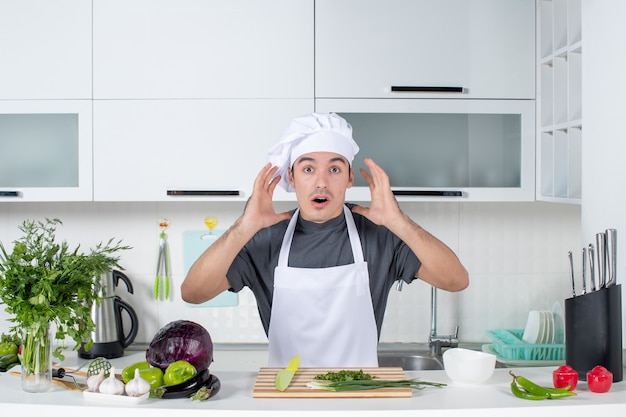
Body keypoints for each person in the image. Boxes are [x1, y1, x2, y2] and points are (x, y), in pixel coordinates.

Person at [181, 112, 468, 368]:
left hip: (358, 394)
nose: (321, 182)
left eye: (334, 169)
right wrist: (244, 226)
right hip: (287, 395)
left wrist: (398, 222)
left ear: (349, 178)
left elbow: (456, 280)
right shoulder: (265, 240)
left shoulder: (379, 235)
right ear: (291, 178)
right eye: (308, 169)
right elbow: (193, 293)